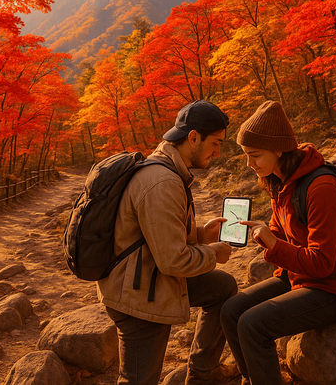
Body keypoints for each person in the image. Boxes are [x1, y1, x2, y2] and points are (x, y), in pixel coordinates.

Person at [220, 101, 336, 385]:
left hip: (335, 289)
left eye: (254, 156)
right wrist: (265, 235)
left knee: (252, 325)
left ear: (278, 149)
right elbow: (281, 232)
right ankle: (254, 377)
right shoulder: (281, 180)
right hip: (300, 279)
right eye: (245, 156)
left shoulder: (321, 188)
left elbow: (323, 263)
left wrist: (274, 245)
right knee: (231, 311)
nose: (249, 164)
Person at [97, 100, 238, 385]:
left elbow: (153, 235)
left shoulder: (165, 169)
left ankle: (202, 374)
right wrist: (213, 253)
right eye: (216, 143)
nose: (219, 152)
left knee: (222, 288)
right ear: (193, 137)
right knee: (139, 380)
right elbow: (173, 260)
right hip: (138, 294)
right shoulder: (162, 182)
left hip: (150, 276)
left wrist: (199, 234)